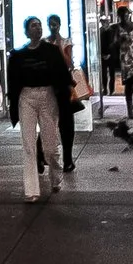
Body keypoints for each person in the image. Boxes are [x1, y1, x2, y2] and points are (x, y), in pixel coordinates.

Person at [6, 16, 72, 202]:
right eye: (33, 26)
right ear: (27, 31)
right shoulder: (19, 56)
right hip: (26, 97)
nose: (38, 28)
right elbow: (13, 82)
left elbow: (62, 75)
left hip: (48, 95)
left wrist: (64, 96)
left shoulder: (51, 51)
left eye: (39, 25)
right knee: (28, 144)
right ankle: (31, 190)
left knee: (50, 146)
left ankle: (55, 174)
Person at [45, 14, 79, 171]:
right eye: (51, 24)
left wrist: (58, 43)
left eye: (56, 24)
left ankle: (68, 159)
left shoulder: (66, 41)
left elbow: (68, 63)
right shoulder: (45, 42)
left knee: (66, 124)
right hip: (48, 86)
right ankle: (43, 156)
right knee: (48, 122)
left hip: (64, 86)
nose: (53, 27)